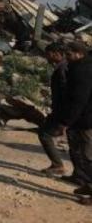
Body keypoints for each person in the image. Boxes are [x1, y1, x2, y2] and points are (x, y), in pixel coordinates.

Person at [57, 42, 92, 203]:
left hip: (86, 120)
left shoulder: (83, 70)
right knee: (78, 153)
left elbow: (79, 100)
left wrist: (66, 122)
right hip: (81, 119)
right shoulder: (79, 67)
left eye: (69, 54)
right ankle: (86, 183)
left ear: (79, 54)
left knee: (87, 156)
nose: (67, 57)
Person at [37, 42, 69, 177]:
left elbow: (66, 93)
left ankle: (58, 165)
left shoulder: (63, 69)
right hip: (61, 110)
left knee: (45, 134)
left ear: (56, 54)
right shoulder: (63, 67)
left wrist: (64, 118)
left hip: (63, 111)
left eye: (48, 54)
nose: (47, 57)